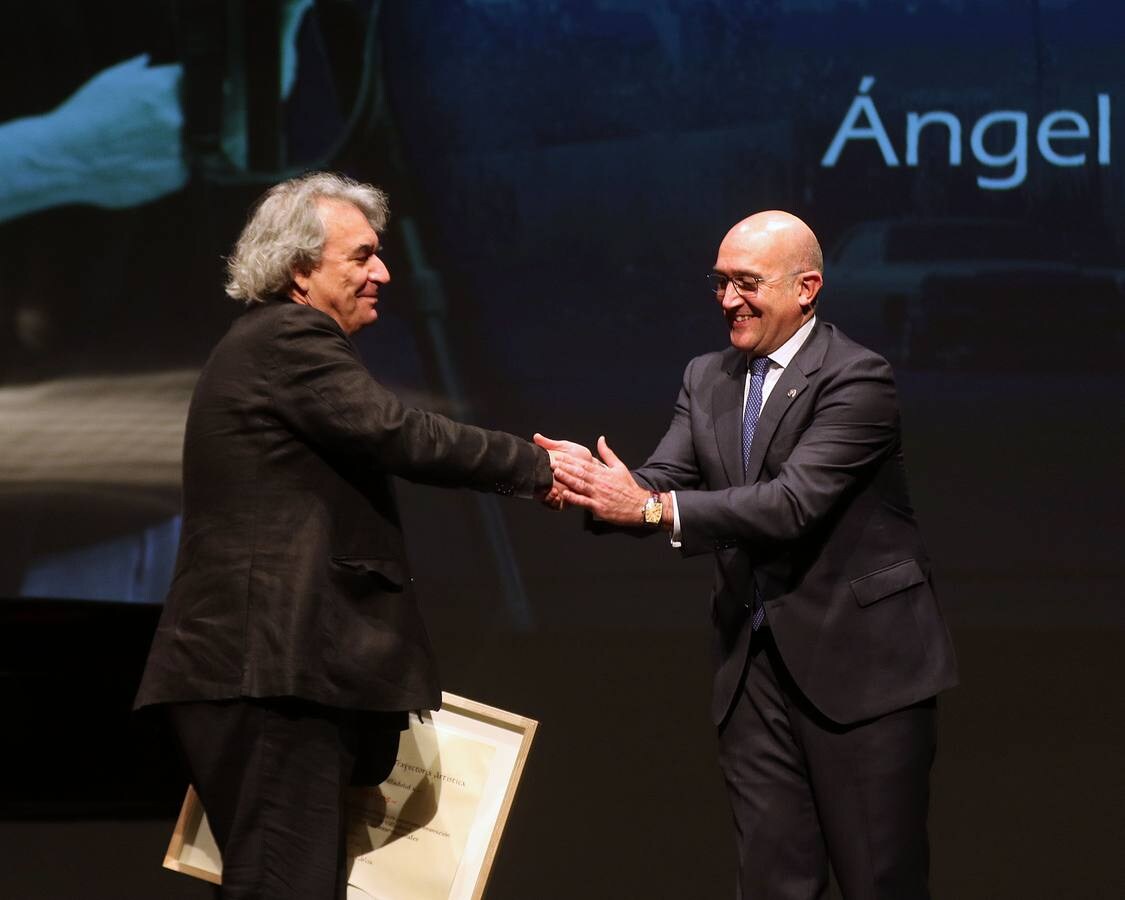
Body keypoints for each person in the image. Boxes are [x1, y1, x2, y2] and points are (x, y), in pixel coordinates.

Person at [135, 171, 562, 899]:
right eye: (361, 256)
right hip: (271, 672)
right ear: (300, 269)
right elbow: (398, 433)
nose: (383, 273)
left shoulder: (269, 342)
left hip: (266, 671)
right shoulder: (287, 336)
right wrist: (542, 467)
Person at [545, 211, 958, 900]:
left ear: (806, 287)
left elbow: (790, 504)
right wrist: (592, 485)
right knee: (772, 882)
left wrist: (646, 505)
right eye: (719, 282)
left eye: (746, 282)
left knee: (878, 882)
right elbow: (662, 481)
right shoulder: (706, 376)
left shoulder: (857, 379)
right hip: (752, 670)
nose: (727, 300)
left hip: (864, 669)